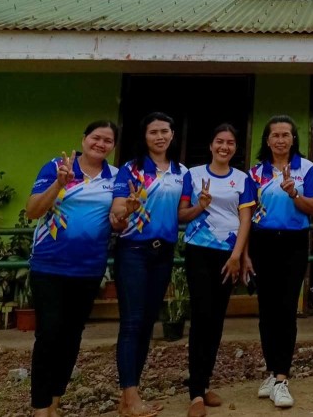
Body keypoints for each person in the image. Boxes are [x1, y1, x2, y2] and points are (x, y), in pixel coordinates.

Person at [24, 121, 119, 417]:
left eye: (107, 140)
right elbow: (33, 211)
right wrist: (59, 184)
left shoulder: (116, 177)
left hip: (89, 269)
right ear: (84, 139)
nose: (100, 144)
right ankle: (40, 407)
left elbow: (118, 220)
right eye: (96, 137)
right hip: (49, 265)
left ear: (113, 146)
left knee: (71, 336)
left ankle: (55, 399)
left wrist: (125, 214)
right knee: (48, 333)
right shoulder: (57, 166)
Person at [110, 112, 188, 417]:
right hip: (133, 250)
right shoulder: (131, 170)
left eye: (165, 131)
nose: (160, 136)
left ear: (172, 135)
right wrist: (126, 210)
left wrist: (202, 207)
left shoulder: (181, 172)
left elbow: (182, 212)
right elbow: (117, 213)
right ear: (144, 136)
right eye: (153, 131)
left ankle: (129, 395)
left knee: (146, 324)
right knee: (131, 322)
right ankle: (130, 395)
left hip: (163, 253)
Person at [243, 115, 313, 409]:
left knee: (287, 308)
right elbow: (246, 214)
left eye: (285, 134)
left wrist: (294, 193)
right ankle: (271, 371)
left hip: (293, 243)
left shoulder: (306, 168)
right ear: (267, 140)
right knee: (267, 310)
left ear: (293, 139)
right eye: (275, 135)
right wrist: (245, 253)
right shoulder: (255, 173)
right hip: (262, 243)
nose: (280, 140)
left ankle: (282, 377)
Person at [177, 124, 255, 417]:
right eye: (219, 141)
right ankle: (195, 392)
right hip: (199, 250)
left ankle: (204, 381)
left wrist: (238, 256)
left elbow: (245, 219)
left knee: (217, 319)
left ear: (235, 148)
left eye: (230, 143)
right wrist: (200, 206)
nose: (224, 147)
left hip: (228, 255)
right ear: (211, 145)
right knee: (201, 317)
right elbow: (182, 214)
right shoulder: (193, 175)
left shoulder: (243, 179)